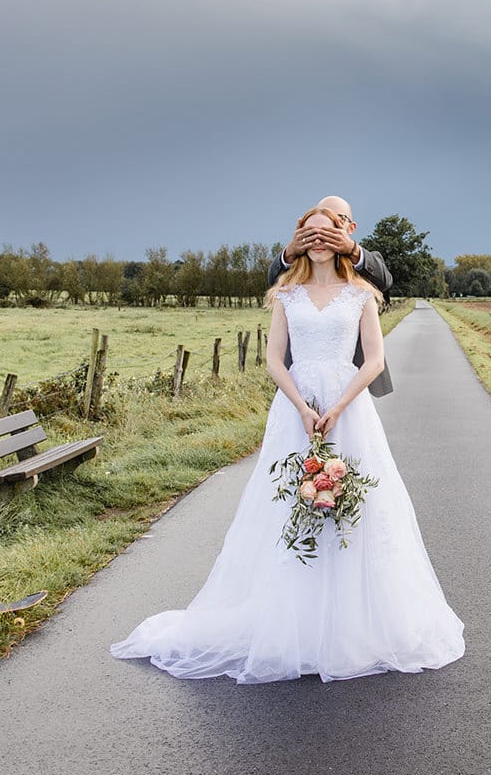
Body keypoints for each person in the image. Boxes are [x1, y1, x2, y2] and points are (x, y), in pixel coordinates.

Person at [110, 204, 464, 683]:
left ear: (344, 235)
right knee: (288, 503)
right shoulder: (285, 293)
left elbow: (375, 360)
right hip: (295, 408)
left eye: (329, 231)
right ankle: (289, 619)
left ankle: (353, 623)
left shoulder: (363, 291)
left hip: (348, 407)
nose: (320, 241)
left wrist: (338, 406)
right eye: (310, 233)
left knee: (357, 504)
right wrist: (301, 406)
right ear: (299, 241)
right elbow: (276, 360)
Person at [268, 194, 394, 397]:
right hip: (303, 377)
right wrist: (290, 252)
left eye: (339, 219)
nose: (328, 228)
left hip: (355, 370)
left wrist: (352, 250)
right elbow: (274, 279)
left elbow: (385, 280)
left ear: (351, 227)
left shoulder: (365, 260)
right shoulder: (304, 256)